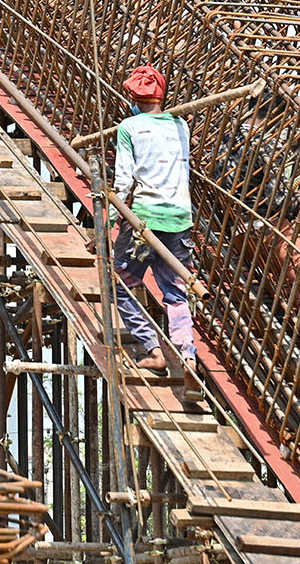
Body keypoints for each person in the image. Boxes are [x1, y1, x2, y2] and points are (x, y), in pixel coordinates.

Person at [111, 64, 197, 373]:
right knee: (176, 294)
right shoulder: (180, 125)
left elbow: (122, 183)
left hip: (144, 223)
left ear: (133, 95)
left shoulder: (129, 127)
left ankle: (153, 348)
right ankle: (188, 356)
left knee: (120, 283)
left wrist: (108, 221)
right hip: (180, 220)